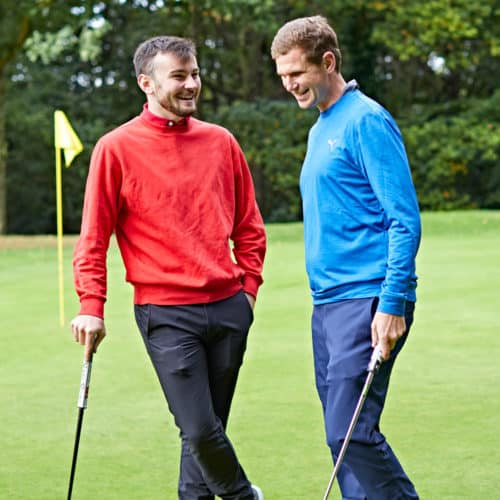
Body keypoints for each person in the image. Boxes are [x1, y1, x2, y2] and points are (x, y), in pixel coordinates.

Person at [70, 35, 266, 500]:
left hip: (228, 308)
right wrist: (90, 304)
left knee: (204, 433)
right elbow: (94, 237)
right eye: (179, 76)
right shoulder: (115, 148)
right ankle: (244, 496)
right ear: (147, 83)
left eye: (194, 74)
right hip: (166, 314)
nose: (191, 84)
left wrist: (249, 291)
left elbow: (250, 227)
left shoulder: (221, 142)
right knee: (200, 430)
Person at [271, 16, 421, 499]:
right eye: (283, 76)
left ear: (328, 62)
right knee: (343, 445)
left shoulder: (365, 120)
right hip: (329, 305)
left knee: (349, 432)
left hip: (368, 299)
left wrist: (392, 303)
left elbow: (404, 219)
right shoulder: (322, 128)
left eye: (297, 73)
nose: (289, 85)